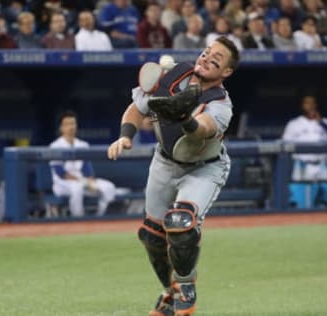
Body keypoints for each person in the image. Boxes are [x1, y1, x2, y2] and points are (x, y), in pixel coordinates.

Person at [107, 36, 240, 316]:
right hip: (165, 163)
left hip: (204, 167)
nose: (207, 58)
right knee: (152, 236)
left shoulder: (221, 102)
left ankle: (185, 285)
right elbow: (136, 108)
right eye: (206, 53)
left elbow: (203, 128)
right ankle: (169, 294)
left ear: (226, 72)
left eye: (216, 59)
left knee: (181, 222)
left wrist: (183, 118)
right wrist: (125, 137)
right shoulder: (174, 74)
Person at [49, 110, 126, 217]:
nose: (71, 127)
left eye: (73, 123)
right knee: (77, 188)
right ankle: (78, 219)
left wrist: (90, 181)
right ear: (61, 128)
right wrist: (84, 182)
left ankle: (101, 217)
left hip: (83, 181)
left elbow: (87, 169)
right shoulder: (55, 146)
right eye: (67, 124)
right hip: (63, 184)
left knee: (108, 187)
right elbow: (60, 172)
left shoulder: (83, 145)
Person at [282, 94, 327, 181]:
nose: (310, 106)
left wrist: (321, 122)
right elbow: (284, 146)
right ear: (302, 105)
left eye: (312, 103)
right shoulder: (294, 124)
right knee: (302, 194)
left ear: (316, 105)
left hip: (324, 165)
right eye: (307, 103)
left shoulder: (325, 122)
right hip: (303, 166)